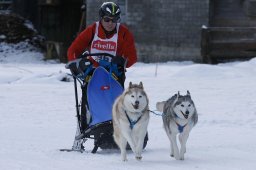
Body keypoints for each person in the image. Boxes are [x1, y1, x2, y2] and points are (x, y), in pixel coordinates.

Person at [67, 2, 137, 85]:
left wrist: (123, 62)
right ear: (101, 18)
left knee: (115, 97)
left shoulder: (124, 33)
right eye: (107, 19)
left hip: (114, 73)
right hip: (92, 71)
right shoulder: (92, 30)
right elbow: (73, 50)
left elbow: (132, 57)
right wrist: (76, 63)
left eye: (114, 20)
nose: (110, 23)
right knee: (89, 96)